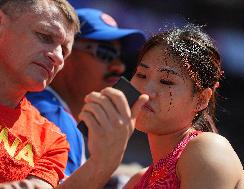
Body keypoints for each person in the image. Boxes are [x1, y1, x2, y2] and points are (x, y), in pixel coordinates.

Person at [0, 0, 148, 189]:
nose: (57, 56)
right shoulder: (55, 116)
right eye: (105, 53)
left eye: (64, 50)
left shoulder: (54, 138)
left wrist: (107, 160)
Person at [122, 24, 244, 188]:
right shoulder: (137, 181)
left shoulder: (208, 149)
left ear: (201, 99)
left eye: (166, 81)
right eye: (141, 75)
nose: (146, 91)